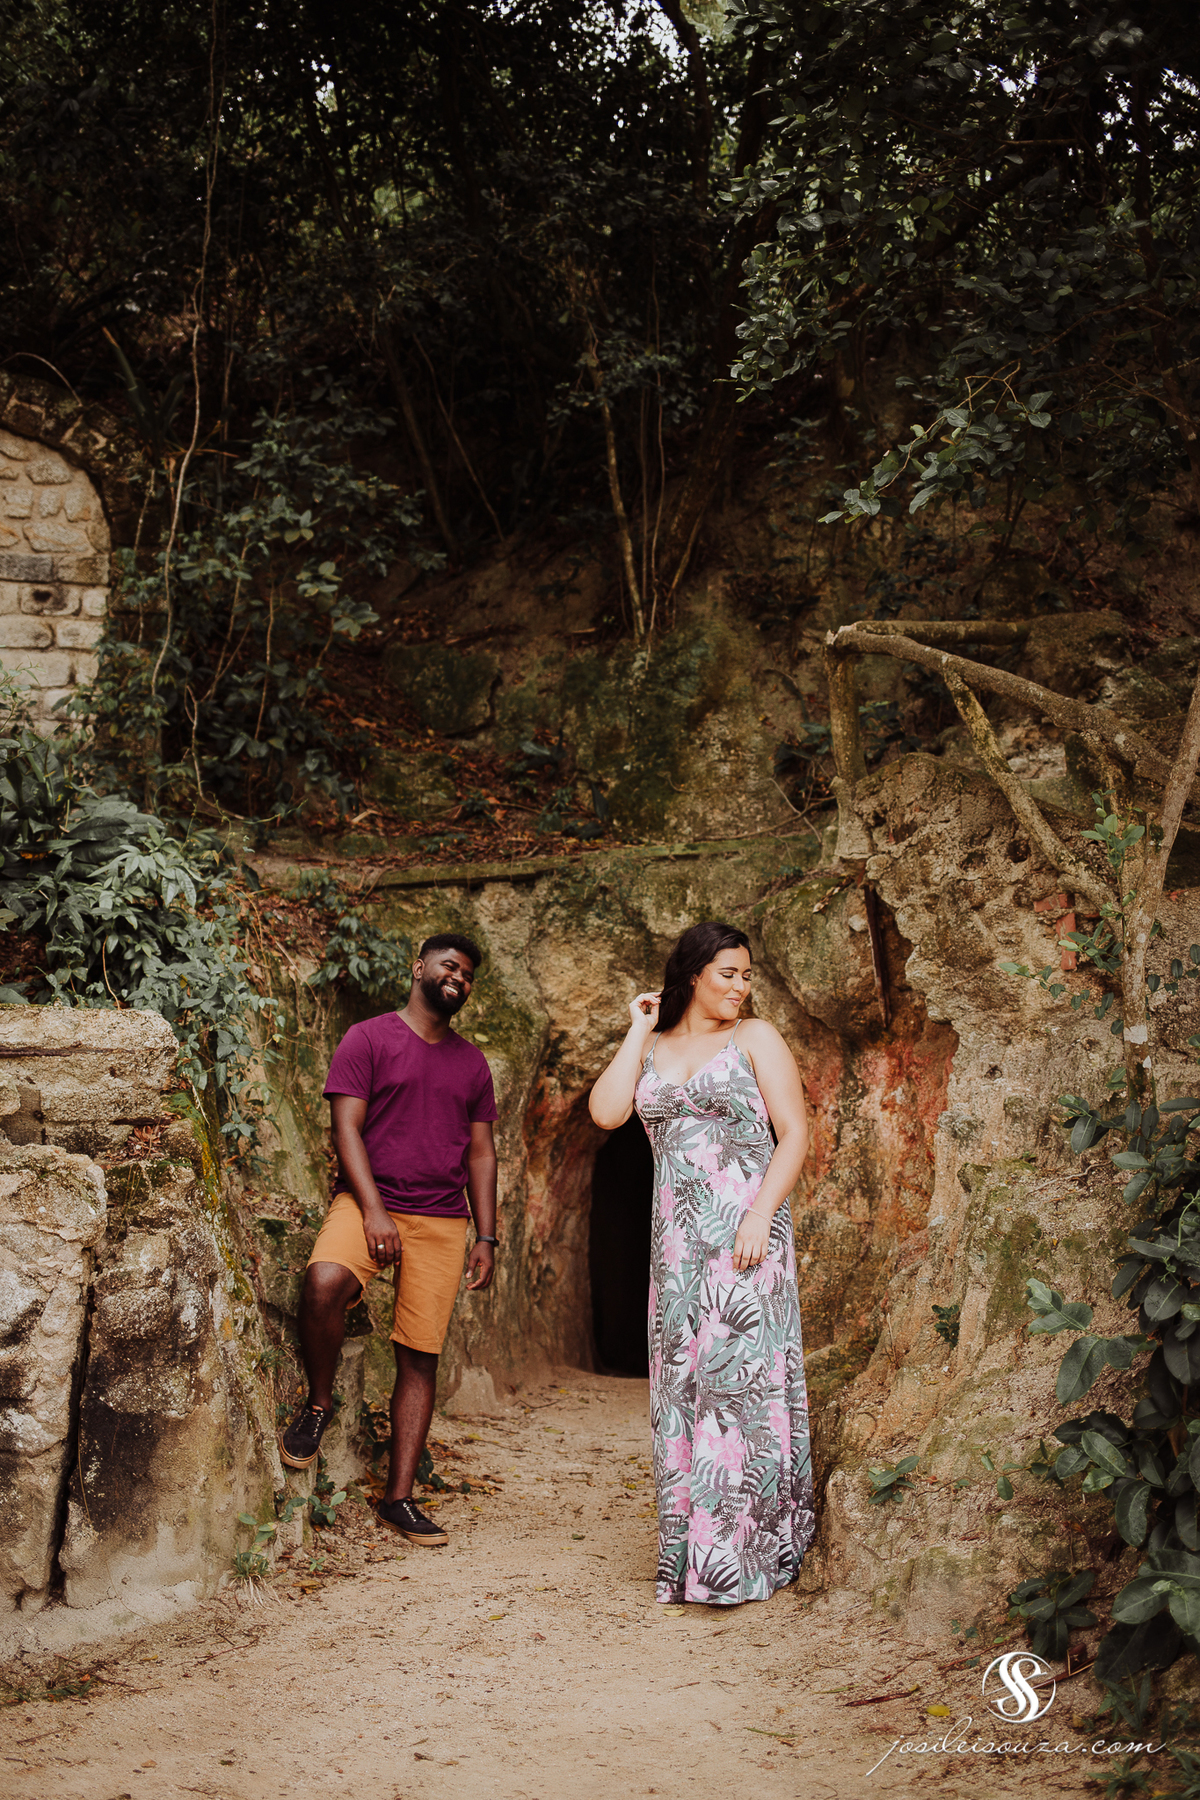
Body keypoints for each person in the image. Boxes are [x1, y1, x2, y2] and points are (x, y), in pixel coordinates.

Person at [589, 921, 814, 1606]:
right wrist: (637, 1029)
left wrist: (758, 1215)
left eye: (748, 975)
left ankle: (748, 1554)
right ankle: (691, 1557)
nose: (741, 987)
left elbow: (795, 1132)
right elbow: (605, 1114)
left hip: (746, 1235)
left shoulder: (756, 1039)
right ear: (692, 974)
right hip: (679, 1249)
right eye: (728, 974)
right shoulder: (653, 1048)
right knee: (687, 1394)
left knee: (739, 1390)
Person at [278, 933, 499, 1548]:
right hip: (369, 1201)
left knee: (419, 1354)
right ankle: (320, 1404)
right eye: (450, 966)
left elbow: (482, 1153)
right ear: (419, 967)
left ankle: (398, 1498)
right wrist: (374, 1212)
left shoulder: (472, 1062)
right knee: (323, 1282)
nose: (459, 978)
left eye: (469, 975)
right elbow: (345, 1127)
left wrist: (488, 1235)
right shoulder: (368, 1038)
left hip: (442, 1219)